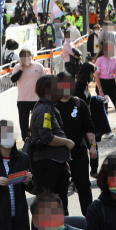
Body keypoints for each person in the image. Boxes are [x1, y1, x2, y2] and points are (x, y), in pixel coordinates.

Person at [29, 75, 76, 215]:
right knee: (47, 208)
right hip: (47, 167)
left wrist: (63, 160)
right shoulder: (43, 109)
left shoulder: (49, 107)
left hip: (55, 163)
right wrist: (67, 142)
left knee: (60, 206)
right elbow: (47, 137)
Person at [55, 72, 97, 216]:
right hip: (58, 156)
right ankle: (63, 223)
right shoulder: (52, 105)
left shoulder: (79, 104)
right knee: (60, 191)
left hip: (79, 153)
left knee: (84, 188)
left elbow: (89, 128)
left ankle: (90, 221)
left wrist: (92, 146)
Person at [11, 49, 45, 141]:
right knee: (23, 123)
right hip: (23, 100)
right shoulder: (17, 67)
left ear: (31, 56)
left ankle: (38, 138)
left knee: (38, 120)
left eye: (28, 57)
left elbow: (45, 81)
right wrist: (21, 69)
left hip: (37, 99)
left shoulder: (39, 66)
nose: (27, 59)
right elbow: (13, 79)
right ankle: (25, 140)